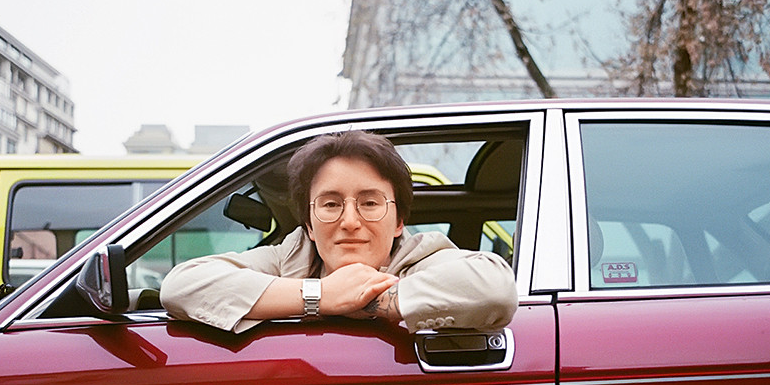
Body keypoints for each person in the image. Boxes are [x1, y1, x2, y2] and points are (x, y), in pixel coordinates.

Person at [160, 130, 517, 334]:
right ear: (309, 225)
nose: (349, 221)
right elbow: (182, 285)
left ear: (399, 222)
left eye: (370, 203)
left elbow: (493, 287)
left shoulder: (421, 256)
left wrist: (372, 302)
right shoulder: (288, 257)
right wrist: (322, 296)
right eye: (331, 204)